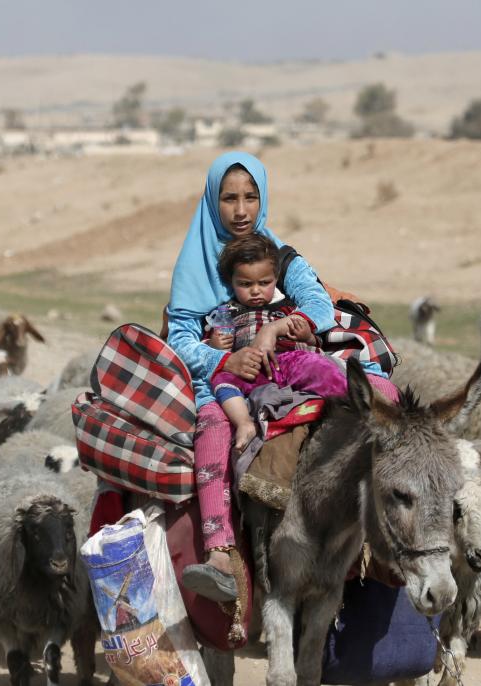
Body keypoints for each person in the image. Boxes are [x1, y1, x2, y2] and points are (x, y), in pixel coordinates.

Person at [165, 152, 399, 602]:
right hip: (227, 380)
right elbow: (180, 338)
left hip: (291, 366)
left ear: (263, 199)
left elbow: (317, 303)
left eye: (250, 197)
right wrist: (225, 362)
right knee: (213, 430)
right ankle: (220, 555)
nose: (240, 211)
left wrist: (278, 326)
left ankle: (388, 531)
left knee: (382, 397)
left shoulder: (279, 254)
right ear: (213, 200)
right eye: (229, 198)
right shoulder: (194, 264)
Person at [209, 234, 348, 451]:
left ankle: (347, 411)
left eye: (264, 283)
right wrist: (215, 347)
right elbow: (217, 346)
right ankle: (244, 423)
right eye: (245, 284)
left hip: (292, 362)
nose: (255, 290)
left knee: (322, 368)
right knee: (222, 379)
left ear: (275, 278)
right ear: (231, 282)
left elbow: (316, 343)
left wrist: (307, 336)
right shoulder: (227, 312)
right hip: (253, 370)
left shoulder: (289, 307)